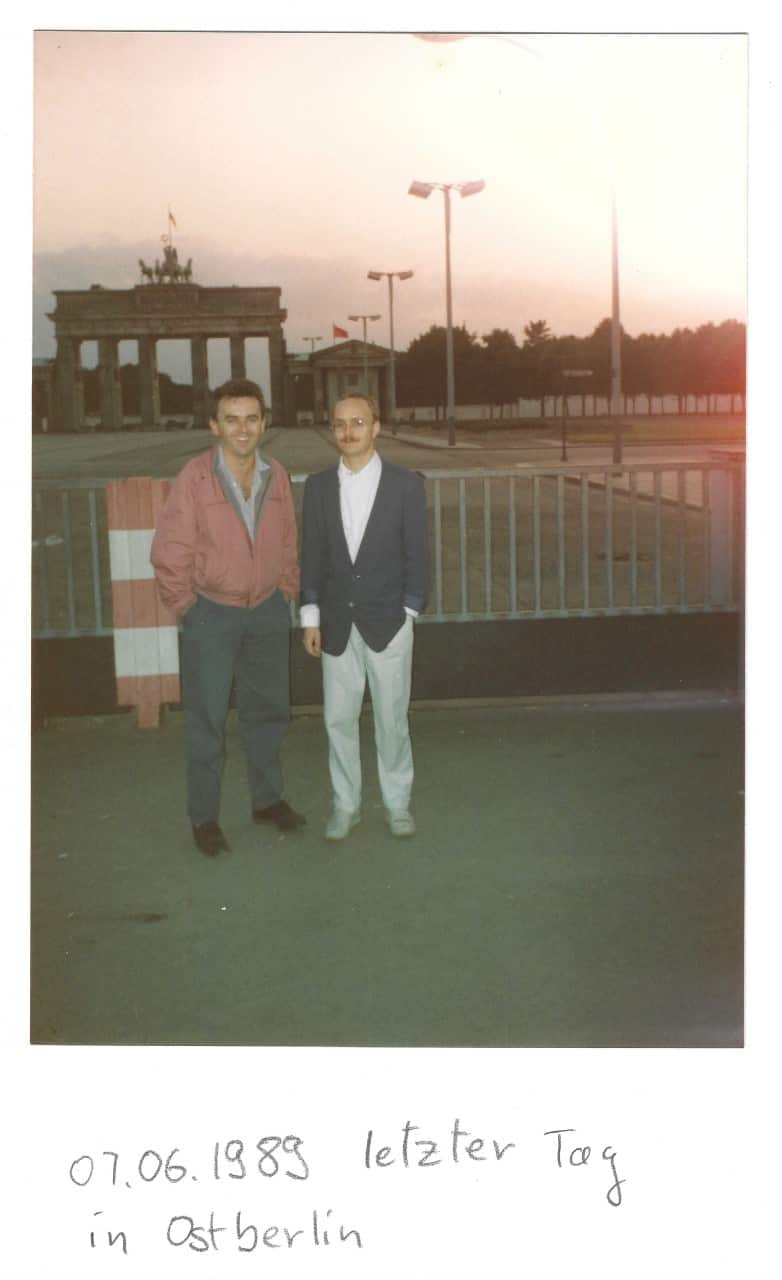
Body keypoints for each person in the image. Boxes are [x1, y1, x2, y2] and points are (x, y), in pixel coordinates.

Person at [151, 377, 304, 856]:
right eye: (232, 419)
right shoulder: (194, 478)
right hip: (211, 615)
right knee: (207, 721)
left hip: (265, 613)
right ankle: (205, 819)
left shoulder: (275, 474)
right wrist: (186, 608)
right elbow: (170, 550)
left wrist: (285, 591)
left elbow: (286, 540)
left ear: (264, 423)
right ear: (214, 425)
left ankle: (267, 799)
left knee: (268, 713)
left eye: (251, 419)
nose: (243, 429)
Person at [300, 393, 429, 839]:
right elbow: (311, 556)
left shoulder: (405, 484)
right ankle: (346, 803)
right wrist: (310, 616)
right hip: (336, 624)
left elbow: (418, 554)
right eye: (339, 424)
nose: (348, 431)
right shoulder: (317, 487)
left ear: (376, 427)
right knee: (339, 718)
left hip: (389, 622)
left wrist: (409, 609)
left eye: (358, 422)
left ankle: (397, 803)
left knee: (392, 718)